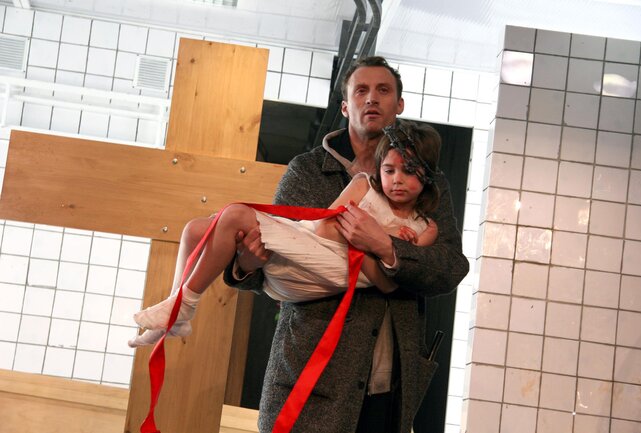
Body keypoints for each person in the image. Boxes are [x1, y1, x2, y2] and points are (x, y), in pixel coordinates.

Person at [225, 56, 469, 433]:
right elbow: (272, 262)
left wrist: (386, 247)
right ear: (344, 106)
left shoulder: (426, 180)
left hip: (388, 383)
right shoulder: (308, 171)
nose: (372, 98)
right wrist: (245, 265)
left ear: (399, 105)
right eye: (361, 90)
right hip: (308, 374)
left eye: (383, 90)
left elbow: (450, 267)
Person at [129, 121, 441, 346]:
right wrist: (379, 240)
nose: (397, 180)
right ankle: (177, 306)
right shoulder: (363, 185)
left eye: (409, 171)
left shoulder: (425, 227)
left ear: (427, 176)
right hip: (313, 241)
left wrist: (373, 240)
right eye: (389, 170)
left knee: (235, 214)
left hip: (336, 269)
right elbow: (324, 228)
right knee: (196, 229)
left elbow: (390, 283)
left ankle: (185, 304)